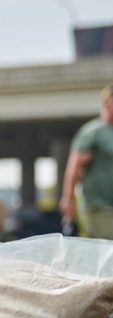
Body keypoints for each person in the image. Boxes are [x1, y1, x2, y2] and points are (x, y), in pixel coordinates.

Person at [60, 85, 113, 239]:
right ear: (107, 103)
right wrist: (68, 198)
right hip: (100, 206)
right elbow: (74, 167)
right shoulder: (93, 133)